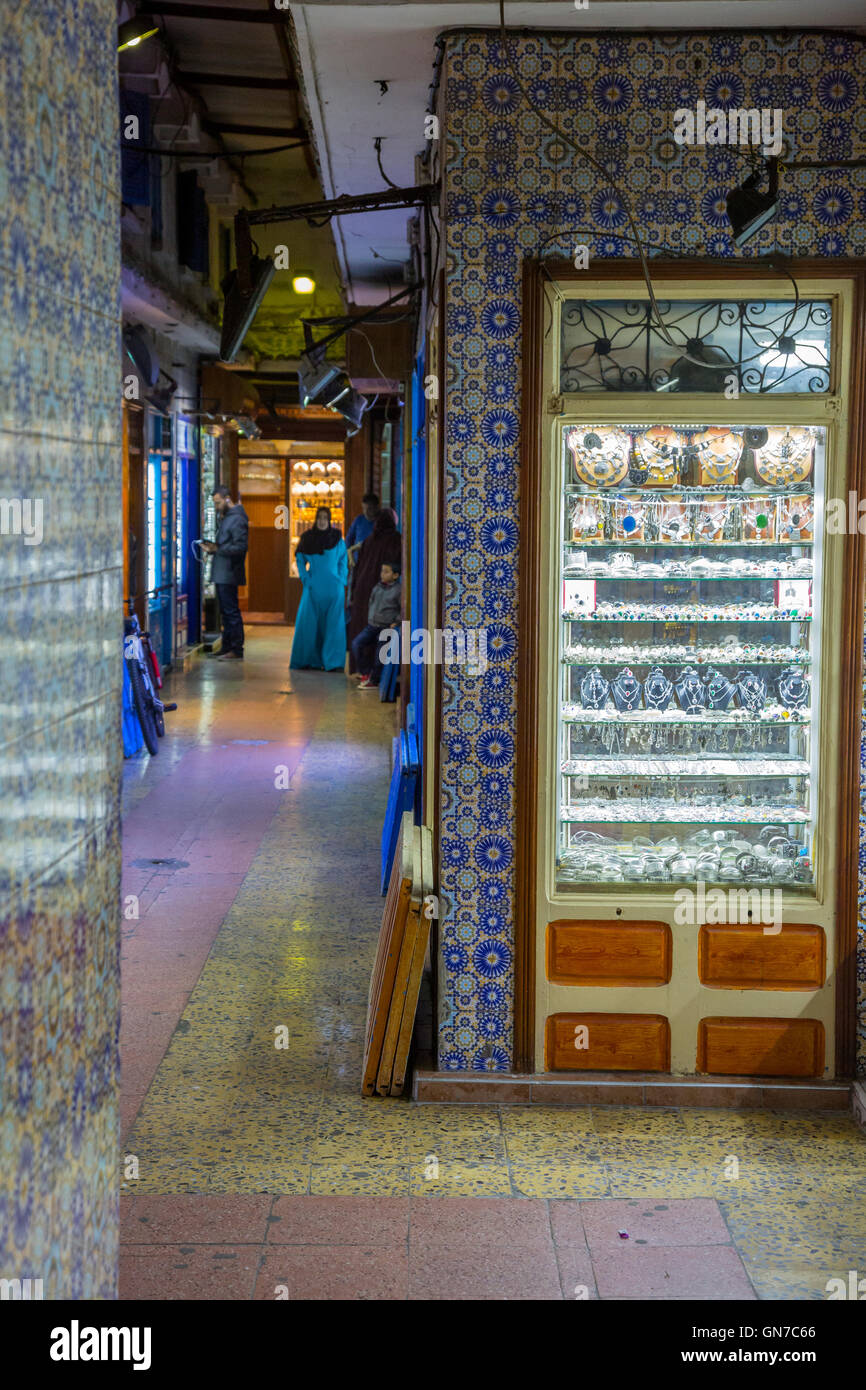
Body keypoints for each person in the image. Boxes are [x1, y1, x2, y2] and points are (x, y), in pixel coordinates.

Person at [290, 506, 348, 671]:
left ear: (329, 520)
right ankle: (310, 660)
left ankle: (334, 663)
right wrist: (306, 578)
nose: (322, 521)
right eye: (319, 517)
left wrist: (342, 579)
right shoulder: (307, 538)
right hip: (313, 588)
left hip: (334, 589)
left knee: (334, 626)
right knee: (309, 624)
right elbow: (300, 559)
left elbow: (343, 559)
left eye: (325, 518)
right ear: (315, 519)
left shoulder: (337, 538)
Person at [346, 507, 401, 674]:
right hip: (382, 591)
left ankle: (363, 671)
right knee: (378, 633)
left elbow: (357, 563)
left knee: (364, 628)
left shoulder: (370, 539)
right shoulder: (396, 540)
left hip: (363, 590)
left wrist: (353, 591)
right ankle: (377, 673)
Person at [202, 486, 249, 661]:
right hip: (223, 571)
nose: (216, 506)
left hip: (229, 571)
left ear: (228, 499)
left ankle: (236, 649)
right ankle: (227, 646)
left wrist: (218, 548)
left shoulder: (237, 519)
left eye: (218, 502)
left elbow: (241, 546)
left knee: (231, 611)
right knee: (226, 612)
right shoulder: (228, 518)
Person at [352, 562, 402, 689]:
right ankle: (366, 673)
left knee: (380, 654)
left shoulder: (398, 590)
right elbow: (371, 603)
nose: (382, 574)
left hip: (386, 627)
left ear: (395, 575)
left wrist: (396, 621)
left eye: (386, 572)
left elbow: (403, 609)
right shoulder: (378, 587)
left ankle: (374, 680)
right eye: (382, 571)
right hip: (372, 625)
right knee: (356, 644)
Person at [345, 493, 380, 567]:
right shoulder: (359, 520)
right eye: (364, 508)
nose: (366, 512)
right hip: (358, 562)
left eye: (369, 509)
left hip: (374, 563)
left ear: (376, 508)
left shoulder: (380, 522)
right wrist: (350, 558)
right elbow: (348, 540)